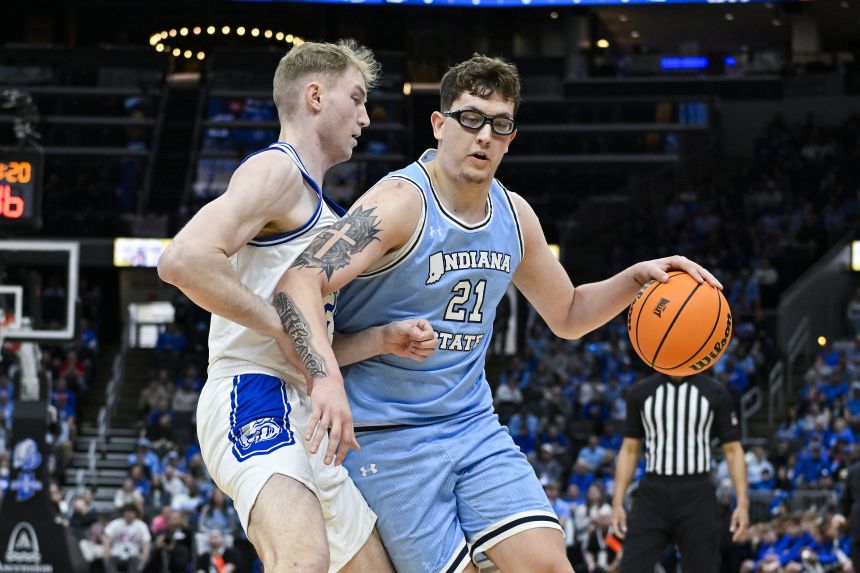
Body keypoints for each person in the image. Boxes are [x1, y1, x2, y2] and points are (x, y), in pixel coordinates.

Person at [275, 53, 722, 572]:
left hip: (472, 425)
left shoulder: (514, 216)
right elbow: (297, 282)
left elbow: (568, 313)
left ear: (512, 137)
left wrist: (634, 279)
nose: (484, 135)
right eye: (470, 119)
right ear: (439, 125)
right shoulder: (399, 202)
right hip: (387, 434)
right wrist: (325, 378)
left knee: (549, 565)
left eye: (500, 124)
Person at [157, 39, 437, 573]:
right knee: (302, 558)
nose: (365, 117)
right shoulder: (277, 170)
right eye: (356, 99)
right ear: (314, 96)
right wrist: (284, 327)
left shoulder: (322, 206)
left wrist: (381, 340)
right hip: (253, 390)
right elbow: (183, 259)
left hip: (306, 408)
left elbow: (309, 345)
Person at [610, 373, 750, 573]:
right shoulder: (641, 392)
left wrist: (743, 504)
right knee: (632, 567)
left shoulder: (714, 391)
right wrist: (617, 503)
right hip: (653, 491)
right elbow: (629, 449)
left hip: (698, 491)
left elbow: (733, 450)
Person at [103, 504, 151, 573]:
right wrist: (106, 560)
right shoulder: (114, 524)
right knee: (111, 560)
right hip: (116, 554)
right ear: (123, 513)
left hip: (133, 555)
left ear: (135, 513)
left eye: (131, 512)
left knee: (135, 561)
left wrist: (141, 566)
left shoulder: (141, 526)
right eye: (127, 512)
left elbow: (146, 546)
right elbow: (107, 543)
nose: (129, 514)